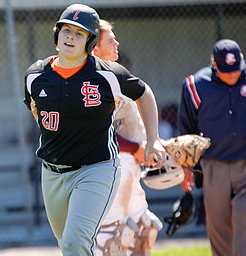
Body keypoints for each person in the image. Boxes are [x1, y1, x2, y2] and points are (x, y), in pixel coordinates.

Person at [23, 4, 166, 256]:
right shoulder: (35, 75)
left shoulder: (107, 74)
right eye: (66, 30)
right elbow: (35, 109)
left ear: (90, 43)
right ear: (56, 35)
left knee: (75, 242)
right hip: (53, 172)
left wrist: (153, 139)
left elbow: (144, 93)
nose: (70, 37)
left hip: (96, 168)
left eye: (79, 33)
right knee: (67, 243)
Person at [178, 39, 246, 256]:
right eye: (226, 71)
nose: (232, 75)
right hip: (214, 164)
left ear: (241, 59)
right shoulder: (196, 86)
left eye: (235, 69)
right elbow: (186, 131)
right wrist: (186, 167)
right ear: (214, 64)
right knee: (218, 224)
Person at [92, 19, 163, 256]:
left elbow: (144, 97)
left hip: (129, 164)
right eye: (110, 40)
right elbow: (99, 133)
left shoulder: (117, 75)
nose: (117, 43)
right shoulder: (92, 82)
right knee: (112, 238)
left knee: (144, 229)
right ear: (94, 49)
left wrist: (152, 143)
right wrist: (136, 147)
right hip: (109, 167)